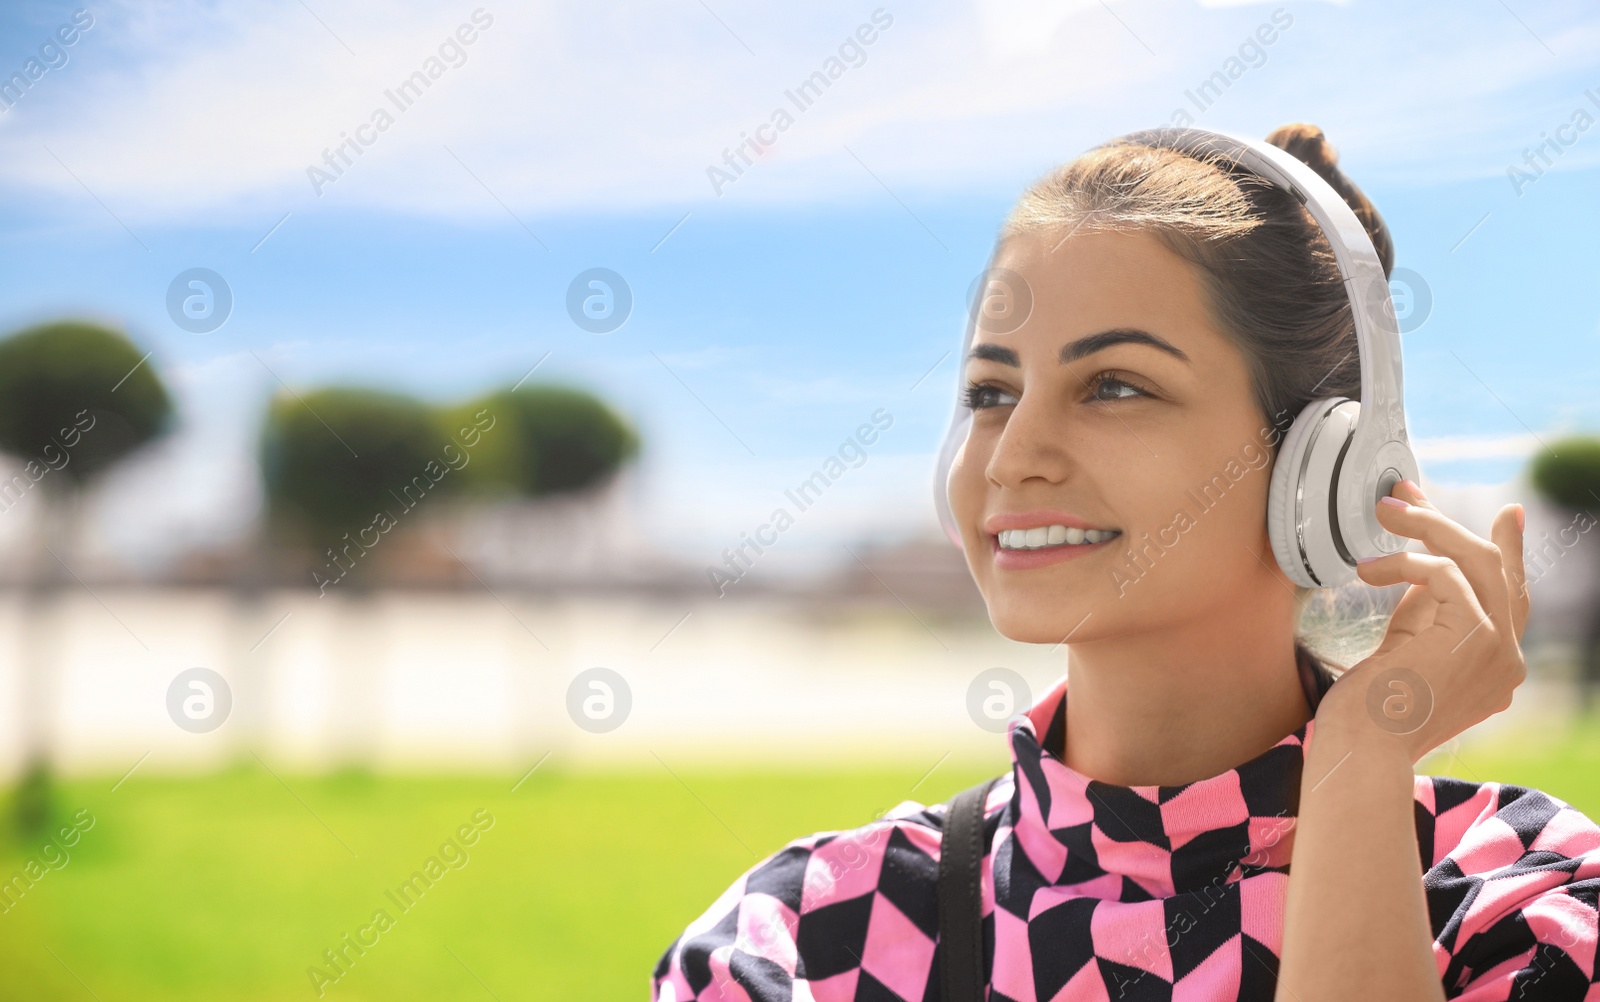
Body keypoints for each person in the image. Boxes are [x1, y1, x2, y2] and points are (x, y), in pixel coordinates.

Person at [649, 123, 1600, 1001]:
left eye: (1113, 385)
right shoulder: (804, 935)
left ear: (1328, 464)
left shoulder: (1519, 897)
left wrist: (1362, 763)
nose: (1013, 453)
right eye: (990, 391)